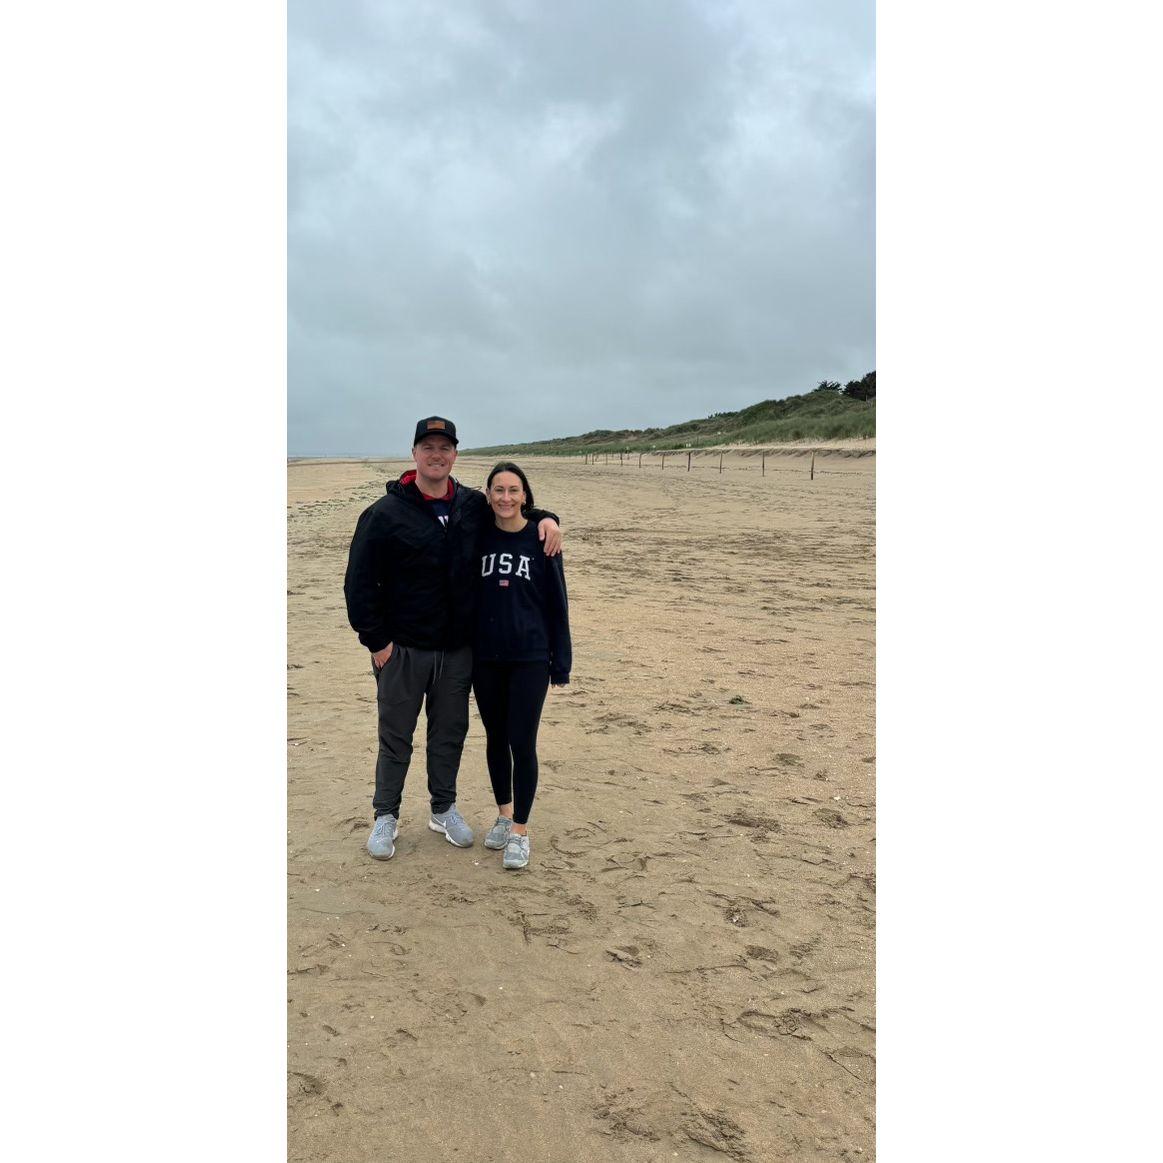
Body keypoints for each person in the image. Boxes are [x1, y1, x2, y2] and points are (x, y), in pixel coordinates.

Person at [343, 418, 562, 861]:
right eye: (429, 446)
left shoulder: (470, 505)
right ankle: (386, 815)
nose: (437, 454)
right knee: (396, 737)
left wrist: (547, 519)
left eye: (445, 447)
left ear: (455, 455)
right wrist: (377, 642)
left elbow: (512, 511)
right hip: (401, 649)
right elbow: (359, 583)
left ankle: (442, 808)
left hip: (458, 650)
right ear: (415, 453)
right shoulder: (384, 513)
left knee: (449, 735)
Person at [473, 462, 572, 870]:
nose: (506, 498)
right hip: (485, 657)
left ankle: (520, 830)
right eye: (498, 490)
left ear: (526, 496)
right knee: (495, 739)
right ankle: (503, 813)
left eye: (514, 490)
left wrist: (560, 663)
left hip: (530, 657)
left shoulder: (542, 539)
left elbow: (557, 603)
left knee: (521, 742)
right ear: (489, 495)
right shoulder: (477, 535)